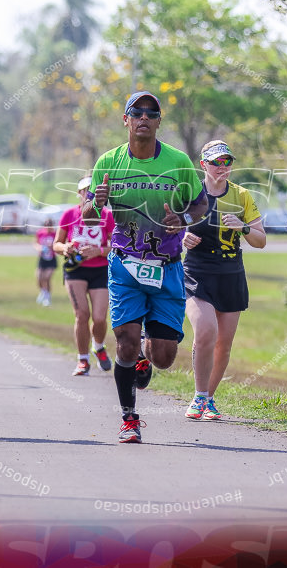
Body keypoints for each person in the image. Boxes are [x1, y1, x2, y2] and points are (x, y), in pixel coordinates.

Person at [85, 91, 208, 444]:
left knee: (164, 357)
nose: (143, 117)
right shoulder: (108, 163)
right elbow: (87, 215)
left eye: (151, 113)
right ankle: (129, 418)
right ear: (125, 119)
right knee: (123, 341)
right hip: (124, 265)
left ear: (158, 121)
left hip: (167, 266)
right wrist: (98, 202)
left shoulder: (178, 161)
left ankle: (145, 351)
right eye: (136, 112)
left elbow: (201, 207)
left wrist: (181, 218)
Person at [182, 140, 265, 420]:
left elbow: (261, 240)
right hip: (196, 272)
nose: (222, 167)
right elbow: (167, 227)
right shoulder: (190, 193)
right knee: (206, 330)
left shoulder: (242, 196)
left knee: (223, 344)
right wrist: (182, 237)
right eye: (216, 162)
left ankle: (209, 398)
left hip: (230, 273)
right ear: (203, 164)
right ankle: (198, 395)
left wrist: (242, 227)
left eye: (227, 162)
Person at [54, 176, 115, 376]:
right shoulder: (69, 214)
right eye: (84, 190)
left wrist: (99, 251)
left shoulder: (107, 215)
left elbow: (116, 246)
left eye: (92, 190)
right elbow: (56, 244)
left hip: (100, 269)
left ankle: (98, 347)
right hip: (75, 270)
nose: (87, 194)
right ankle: (82, 360)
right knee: (82, 315)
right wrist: (66, 248)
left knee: (99, 318)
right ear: (79, 193)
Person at [34, 218, 58, 306]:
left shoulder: (55, 234)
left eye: (50, 225)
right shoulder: (40, 233)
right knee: (39, 277)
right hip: (42, 258)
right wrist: (39, 248)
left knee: (47, 278)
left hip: (51, 258)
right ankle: (43, 292)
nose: (48, 227)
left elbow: (58, 245)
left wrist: (52, 246)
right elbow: (36, 243)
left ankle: (47, 297)